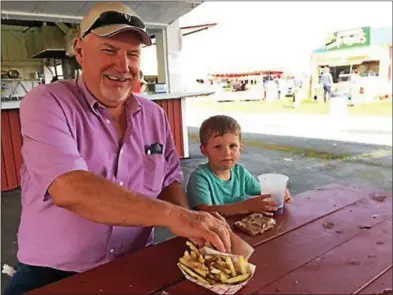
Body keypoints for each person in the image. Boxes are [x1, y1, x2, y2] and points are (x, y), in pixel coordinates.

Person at [3, 3, 232, 295]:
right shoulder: (47, 102)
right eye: (110, 50)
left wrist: (194, 230)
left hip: (135, 262)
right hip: (54, 272)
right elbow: (70, 188)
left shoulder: (154, 115)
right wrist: (177, 217)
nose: (123, 66)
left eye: (133, 54)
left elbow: (168, 180)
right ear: (80, 50)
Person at [186, 115, 292, 217]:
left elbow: (263, 193)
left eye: (232, 146)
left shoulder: (239, 171)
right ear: (204, 150)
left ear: (240, 148)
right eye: (218, 147)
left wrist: (278, 194)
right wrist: (246, 207)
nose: (227, 152)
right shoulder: (200, 178)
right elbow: (205, 212)